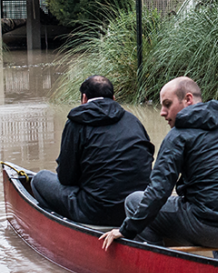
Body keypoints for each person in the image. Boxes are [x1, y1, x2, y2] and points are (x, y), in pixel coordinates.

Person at [99, 77, 218, 262]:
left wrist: (125, 229)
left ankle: (162, 265)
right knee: (216, 200)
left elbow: (158, 192)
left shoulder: (177, 136)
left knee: (133, 202)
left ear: (188, 100)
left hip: (208, 230)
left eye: (167, 104)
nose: (162, 112)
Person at [31, 75, 154, 227]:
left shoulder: (76, 123)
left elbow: (66, 178)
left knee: (39, 179)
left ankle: (65, 228)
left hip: (95, 211)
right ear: (114, 98)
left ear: (84, 98)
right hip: (137, 209)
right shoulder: (133, 120)